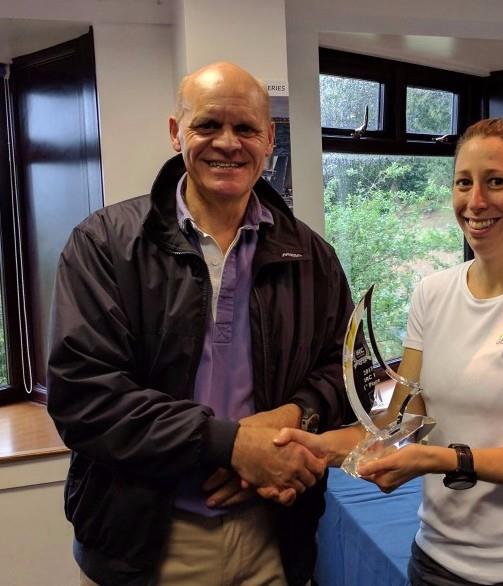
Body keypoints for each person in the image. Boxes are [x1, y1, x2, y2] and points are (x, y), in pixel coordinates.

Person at [47, 61, 359, 586]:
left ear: (270, 139)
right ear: (176, 133)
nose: (227, 143)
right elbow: (85, 398)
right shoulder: (105, 245)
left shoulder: (312, 256)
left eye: (245, 129)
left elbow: (345, 372)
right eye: (208, 125)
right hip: (148, 542)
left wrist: (291, 416)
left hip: (273, 536)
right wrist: (232, 446)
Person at [276, 118, 503, 585]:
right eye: (463, 183)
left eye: (496, 182)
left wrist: (447, 459)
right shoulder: (433, 293)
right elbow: (404, 423)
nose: (475, 202)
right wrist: (318, 447)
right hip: (436, 564)